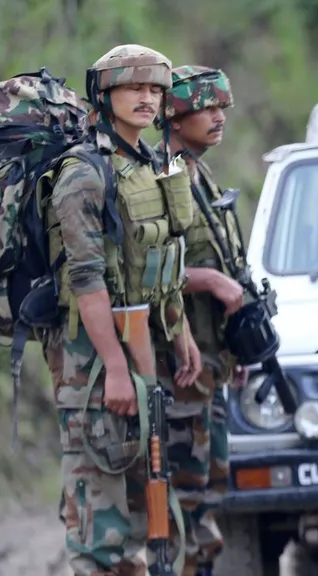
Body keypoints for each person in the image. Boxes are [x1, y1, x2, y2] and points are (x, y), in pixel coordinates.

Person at [49, 44, 203, 575]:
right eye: (134, 87)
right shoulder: (86, 173)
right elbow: (86, 279)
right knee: (101, 521)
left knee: (148, 514)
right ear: (105, 93)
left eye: (156, 89)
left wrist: (180, 332)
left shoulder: (148, 166)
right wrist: (115, 368)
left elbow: (161, 264)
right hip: (93, 367)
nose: (147, 98)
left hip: (143, 354)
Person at [163, 65, 250, 576]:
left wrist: (236, 347)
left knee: (210, 489)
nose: (219, 118)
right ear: (175, 116)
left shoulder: (198, 171)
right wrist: (213, 284)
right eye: (207, 109)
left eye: (222, 108)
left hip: (212, 358)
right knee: (186, 491)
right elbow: (147, 269)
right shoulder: (165, 175)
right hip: (181, 362)